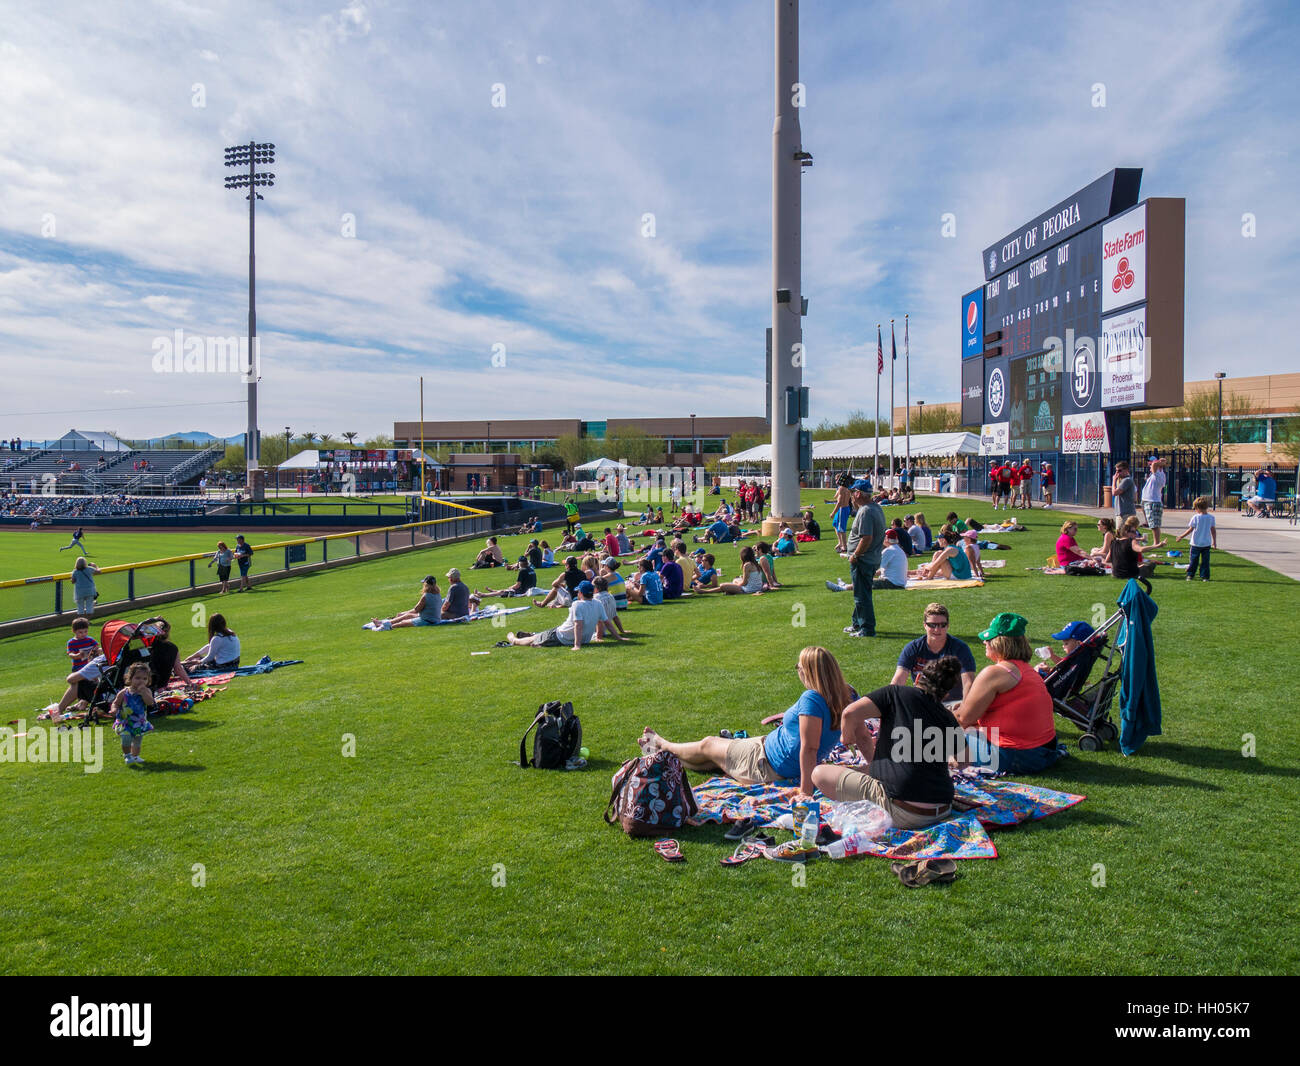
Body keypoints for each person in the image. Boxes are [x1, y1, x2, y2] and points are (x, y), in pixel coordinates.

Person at [638, 646, 848, 797]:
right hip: (769, 750)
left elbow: (809, 749)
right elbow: (860, 735)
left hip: (765, 763)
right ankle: (662, 757)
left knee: (708, 744)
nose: (798, 671)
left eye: (799, 667)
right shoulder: (847, 695)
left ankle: (662, 744)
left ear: (809, 672)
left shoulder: (812, 699)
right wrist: (876, 767)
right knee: (711, 760)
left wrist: (805, 792)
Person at [812, 656, 965, 829]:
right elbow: (965, 760)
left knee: (819, 773)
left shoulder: (895, 693)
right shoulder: (947, 716)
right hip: (943, 808)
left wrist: (846, 738)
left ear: (917, 678)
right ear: (945, 694)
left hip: (902, 811)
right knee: (867, 772)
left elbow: (849, 714)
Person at [954, 612, 1063, 774]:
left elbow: (962, 719)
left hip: (1017, 756)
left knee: (939, 735)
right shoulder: (1028, 671)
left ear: (1000, 643)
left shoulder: (995, 673)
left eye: (989, 639)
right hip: (1045, 751)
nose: (985, 642)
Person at [891, 603, 977, 701]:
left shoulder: (960, 648)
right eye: (932, 625)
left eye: (942, 625)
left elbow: (968, 682)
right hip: (923, 702)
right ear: (925, 625)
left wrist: (964, 707)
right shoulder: (913, 648)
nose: (937, 629)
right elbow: (898, 680)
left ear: (948, 625)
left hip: (952, 703)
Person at [507, 580, 606, 649]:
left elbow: (578, 625)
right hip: (574, 636)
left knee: (534, 639)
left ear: (580, 593)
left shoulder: (577, 604)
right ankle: (535, 636)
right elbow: (603, 622)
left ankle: (515, 641)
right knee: (542, 635)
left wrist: (577, 645)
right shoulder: (598, 603)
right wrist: (601, 637)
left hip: (562, 636)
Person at [844, 479, 886, 636]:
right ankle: (857, 623)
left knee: (862, 595)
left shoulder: (866, 511)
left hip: (863, 560)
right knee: (861, 593)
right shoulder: (874, 508)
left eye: (853, 493)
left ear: (858, 493)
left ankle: (867, 629)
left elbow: (866, 537)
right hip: (871, 558)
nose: (852, 497)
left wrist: (855, 554)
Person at [113, 662, 157, 766]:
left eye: (144, 679)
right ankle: (127, 755)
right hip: (125, 722)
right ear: (130, 678)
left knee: (137, 741)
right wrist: (114, 709)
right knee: (126, 739)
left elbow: (150, 703)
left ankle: (135, 756)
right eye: (137, 678)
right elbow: (116, 703)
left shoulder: (147, 691)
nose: (141, 681)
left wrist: (143, 693)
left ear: (148, 680)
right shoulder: (124, 692)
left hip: (138, 722)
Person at [1174, 496, 1217, 581]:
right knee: (1205, 562)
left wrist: (1181, 536)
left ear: (1197, 508)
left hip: (1195, 543)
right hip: (1206, 543)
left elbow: (1190, 529)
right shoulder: (1211, 517)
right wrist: (1214, 542)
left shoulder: (1196, 517)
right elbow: (1213, 531)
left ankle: (1190, 575)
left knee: (1193, 561)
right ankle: (1205, 576)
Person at [697, 545, 763, 595]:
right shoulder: (755, 563)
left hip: (749, 589)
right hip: (757, 587)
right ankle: (730, 590)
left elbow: (744, 583)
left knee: (723, 585)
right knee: (735, 580)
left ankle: (704, 591)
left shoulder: (747, 565)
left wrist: (735, 585)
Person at [592, 576, 630, 641]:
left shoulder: (595, 598)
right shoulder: (611, 596)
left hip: (594, 630)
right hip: (604, 630)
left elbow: (599, 620)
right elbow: (615, 616)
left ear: (596, 588)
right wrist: (622, 630)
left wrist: (598, 637)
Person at [1140, 457, 1167, 546]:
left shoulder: (1159, 473)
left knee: (1154, 525)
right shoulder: (1154, 474)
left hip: (1153, 502)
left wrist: (1159, 462)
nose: (1150, 466)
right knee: (1152, 523)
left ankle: (1156, 543)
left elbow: (1155, 465)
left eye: (1151, 464)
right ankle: (1157, 542)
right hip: (1148, 501)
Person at [830, 474, 853, 554]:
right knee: (835, 524)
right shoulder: (843, 488)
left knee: (841, 528)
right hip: (844, 509)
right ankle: (840, 542)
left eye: (837, 479)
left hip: (842, 509)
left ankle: (844, 547)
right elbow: (835, 496)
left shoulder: (842, 489)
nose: (836, 481)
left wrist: (833, 512)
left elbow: (839, 502)